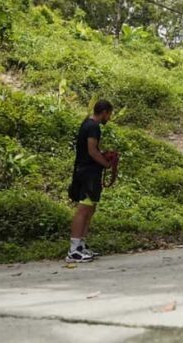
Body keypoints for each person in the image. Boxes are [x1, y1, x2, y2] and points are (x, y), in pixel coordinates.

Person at [66, 99, 114, 263]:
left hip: (86, 172)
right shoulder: (93, 127)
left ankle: (81, 245)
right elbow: (92, 151)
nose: (109, 118)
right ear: (104, 112)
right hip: (88, 174)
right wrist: (106, 163)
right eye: (109, 114)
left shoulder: (87, 122)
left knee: (90, 209)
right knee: (83, 210)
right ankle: (73, 250)